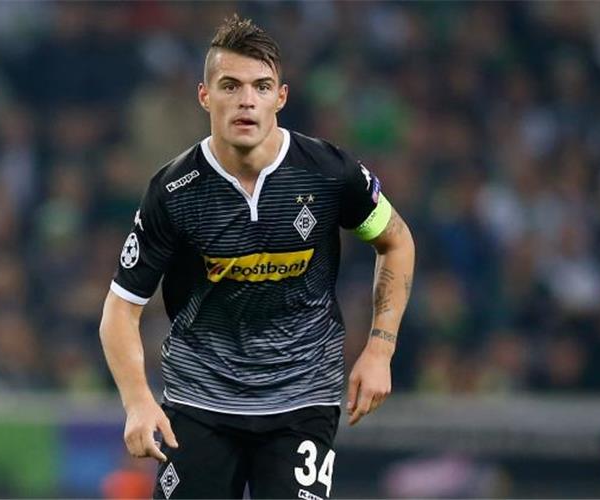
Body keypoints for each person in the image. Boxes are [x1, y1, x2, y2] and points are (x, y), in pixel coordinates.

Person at [99, 15, 415, 500]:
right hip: (200, 401)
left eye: (261, 87)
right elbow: (121, 308)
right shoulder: (174, 191)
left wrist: (380, 349)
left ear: (280, 98)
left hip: (302, 399)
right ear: (205, 96)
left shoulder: (328, 172)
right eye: (231, 85)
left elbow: (396, 242)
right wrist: (138, 401)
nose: (247, 100)